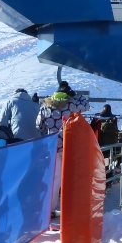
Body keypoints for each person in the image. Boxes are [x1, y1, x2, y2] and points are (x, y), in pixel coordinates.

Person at [36, 81, 90, 216]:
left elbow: (39, 126)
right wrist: (76, 95)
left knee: (55, 179)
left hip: (52, 147)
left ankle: (50, 209)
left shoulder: (46, 106)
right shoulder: (71, 104)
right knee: (71, 177)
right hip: (70, 146)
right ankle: (71, 208)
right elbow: (86, 105)